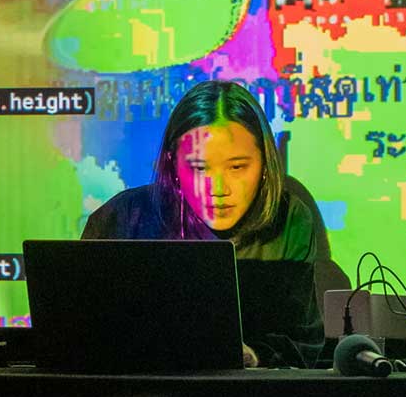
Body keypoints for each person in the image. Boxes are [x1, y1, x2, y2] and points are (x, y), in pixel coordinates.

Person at [82, 80, 323, 368]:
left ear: (264, 163)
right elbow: (80, 329)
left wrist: (254, 354)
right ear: (172, 163)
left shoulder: (288, 219)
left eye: (237, 167)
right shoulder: (124, 217)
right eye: (199, 168)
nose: (218, 189)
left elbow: (301, 340)